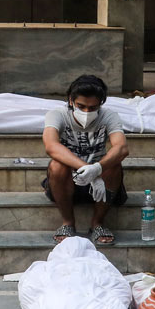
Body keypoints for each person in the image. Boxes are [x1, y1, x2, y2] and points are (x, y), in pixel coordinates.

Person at [42, 74, 129, 246]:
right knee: (57, 165)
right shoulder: (57, 115)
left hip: (102, 186)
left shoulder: (109, 116)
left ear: (101, 104)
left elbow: (122, 148)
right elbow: (51, 146)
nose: (87, 112)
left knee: (114, 165)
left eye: (93, 107)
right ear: (71, 101)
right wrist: (89, 171)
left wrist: (97, 169)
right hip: (66, 183)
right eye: (81, 106)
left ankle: (97, 224)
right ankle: (68, 223)